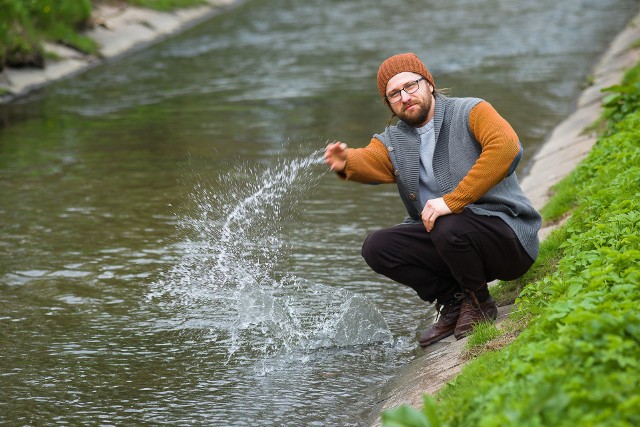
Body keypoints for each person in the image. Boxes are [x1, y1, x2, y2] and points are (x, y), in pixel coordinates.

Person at [324, 52, 541, 347]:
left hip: (507, 238)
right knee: (377, 247)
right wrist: (346, 161)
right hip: (450, 241)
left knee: (445, 221)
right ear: (389, 104)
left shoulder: (471, 110)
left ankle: (479, 304)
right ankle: (454, 301)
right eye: (394, 94)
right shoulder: (393, 139)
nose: (404, 96)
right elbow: (371, 159)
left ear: (428, 84)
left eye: (410, 86)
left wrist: (453, 201)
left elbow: (506, 148)